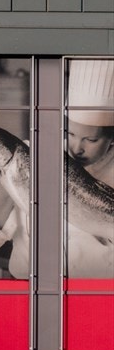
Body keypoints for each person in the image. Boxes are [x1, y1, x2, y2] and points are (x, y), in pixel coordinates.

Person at [65, 60, 114, 279]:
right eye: (71, 134)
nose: (77, 148)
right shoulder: (39, 156)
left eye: (91, 139)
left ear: (111, 139)